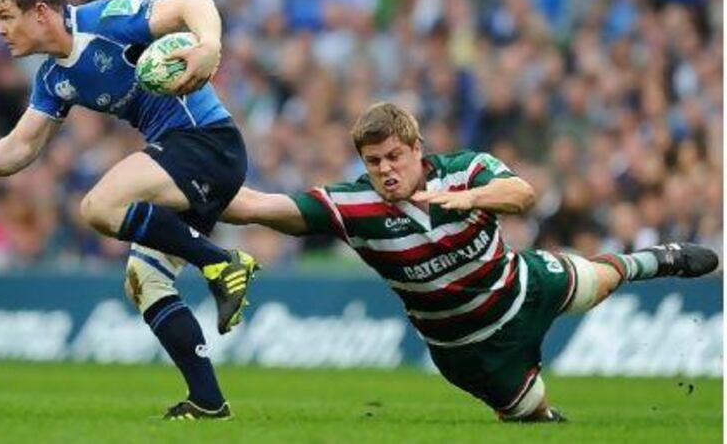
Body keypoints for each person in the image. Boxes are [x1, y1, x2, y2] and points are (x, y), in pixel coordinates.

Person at [221, 102, 719, 422]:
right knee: (533, 416)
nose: (386, 169)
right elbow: (256, 208)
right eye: (373, 162)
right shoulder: (351, 207)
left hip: (521, 285)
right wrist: (186, 185)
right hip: (466, 348)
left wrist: (470, 199)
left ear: (417, 148)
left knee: (602, 282)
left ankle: (657, 259)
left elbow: (522, 193)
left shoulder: (465, 170)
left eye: (394, 156)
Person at [0, 0, 260, 421]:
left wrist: (209, 46)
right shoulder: (53, 78)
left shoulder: (105, 20)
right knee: (144, 281)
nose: (1, 30)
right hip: (181, 156)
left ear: (42, 13)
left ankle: (221, 263)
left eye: (7, 16)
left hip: (207, 141)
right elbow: (21, 147)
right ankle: (209, 402)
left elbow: (195, 3)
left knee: (98, 206)